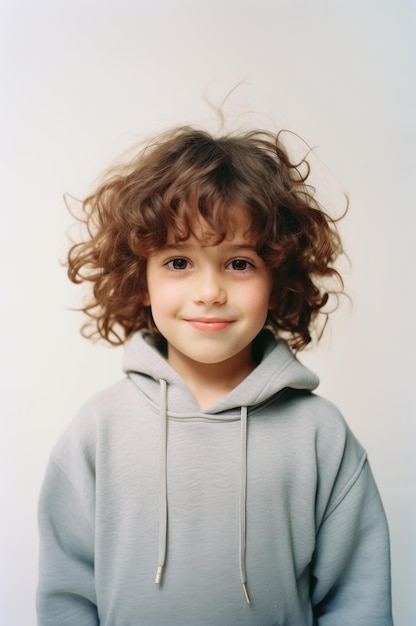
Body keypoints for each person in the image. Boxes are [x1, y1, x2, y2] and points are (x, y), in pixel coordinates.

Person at [37, 126, 393, 625]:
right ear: (141, 281)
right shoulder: (97, 430)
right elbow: (66, 595)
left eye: (239, 263)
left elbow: (358, 600)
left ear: (276, 282)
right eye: (179, 261)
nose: (209, 291)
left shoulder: (321, 436)